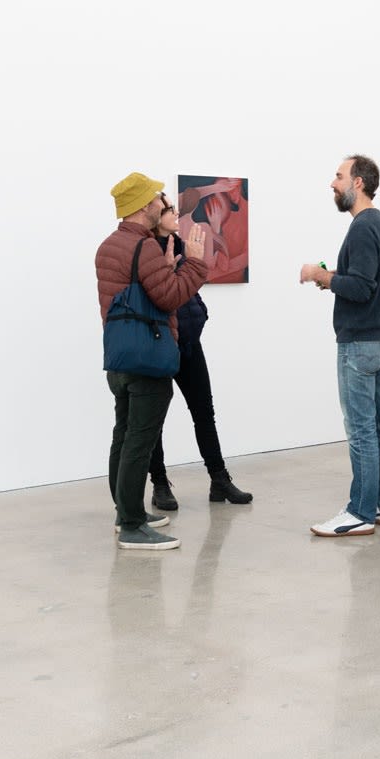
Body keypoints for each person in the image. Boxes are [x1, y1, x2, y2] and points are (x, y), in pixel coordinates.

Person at [95, 174, 208, 551]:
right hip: (148, 358)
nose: (163, 202)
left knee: (123, 434)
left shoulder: (109, 246)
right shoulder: (141, 248)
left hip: (120, 358)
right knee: (138, 442)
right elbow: (170, 296)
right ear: (145, 207)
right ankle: (131, 524)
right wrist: (194, 265)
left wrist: (164, 267)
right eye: (157, 198)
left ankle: (125, 512)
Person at [300, 155, 380, 538]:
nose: (332, 183)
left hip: (360, 343)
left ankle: (360, 512)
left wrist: (320, 274)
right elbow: (370, 281)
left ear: (358, 183)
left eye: (339, 176)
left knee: (362, 430)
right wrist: (335, 279)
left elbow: (361, 287)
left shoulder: (362, 228)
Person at [144, 196, 252, 511]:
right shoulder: (148, 251)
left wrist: (190, 262)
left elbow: (189, 288)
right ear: (154, 217)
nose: (176, 213)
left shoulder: (180, 244)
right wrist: (180, 267)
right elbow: (162, 293)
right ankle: (160, 484)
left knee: (204, 411)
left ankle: (219, 479)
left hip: (189, 341)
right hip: (160, 342)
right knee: (155, 420)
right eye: (168, 210)